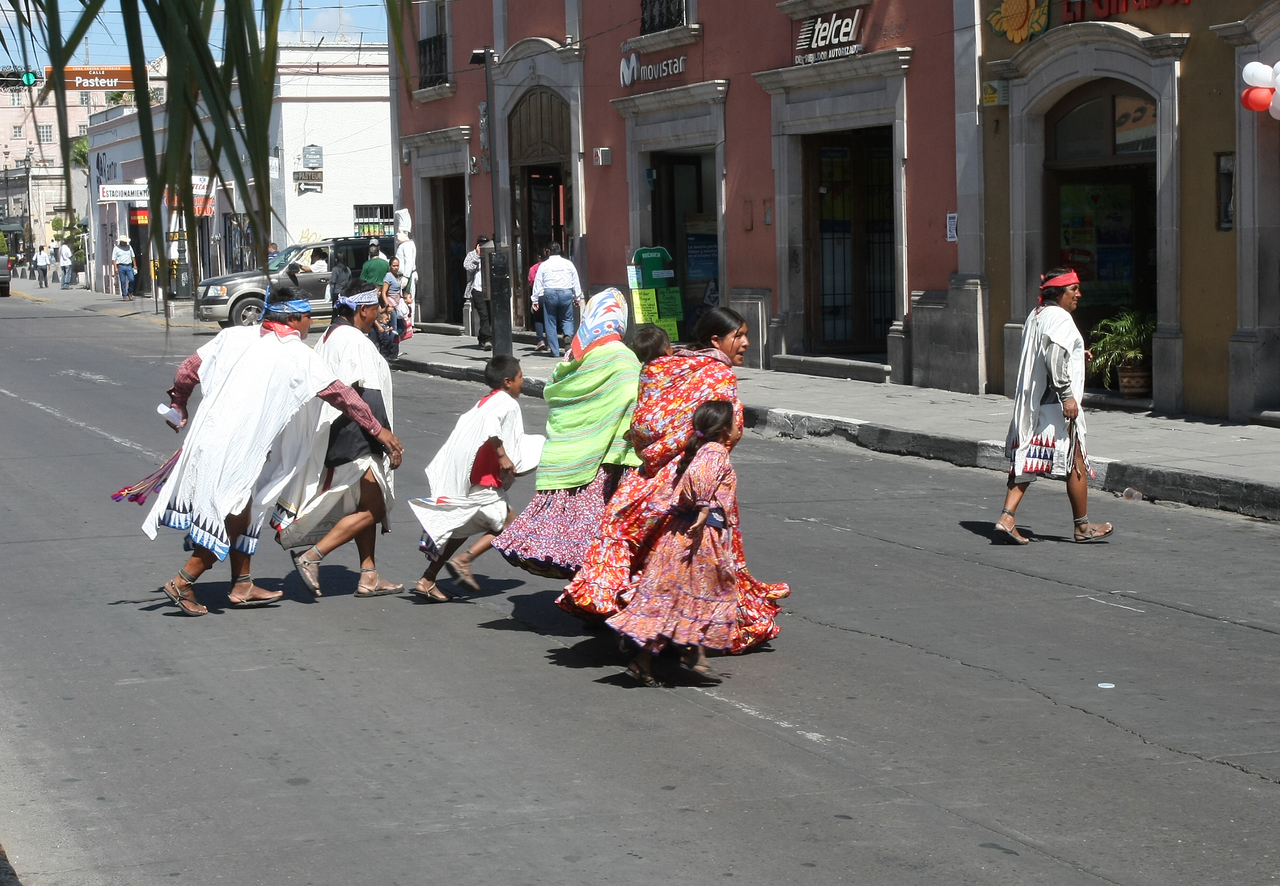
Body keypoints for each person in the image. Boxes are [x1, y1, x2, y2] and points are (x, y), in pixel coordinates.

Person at [139, 285, 404, 616]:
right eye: (308, 317)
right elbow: (340, 394)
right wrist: (379, 429)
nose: (311, 324)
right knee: (234, 513)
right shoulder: (295, 351)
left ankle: (242, 583)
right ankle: (184, 580)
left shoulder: (235, 336)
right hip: (237, 447)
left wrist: (179, 407)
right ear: (293, 318)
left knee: (246, 507)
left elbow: (187, 370)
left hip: (210, 436)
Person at [558, 306, 787, 653]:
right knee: (695, 556)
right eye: (738, 336)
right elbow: (724, 433)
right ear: (716, 340)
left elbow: (645, 420)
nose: (745, 342)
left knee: (642, 544)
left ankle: (629, 613)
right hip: (692, 479)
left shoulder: (671, 365)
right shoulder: (718, 377)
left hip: (648, 475)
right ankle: (674, 630)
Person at [493, 289, 642, 578]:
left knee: (583, 541)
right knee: (609, 541)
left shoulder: (574, 357)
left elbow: (559, 395)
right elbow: (635, 397)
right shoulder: (623, 358)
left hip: (574, 460)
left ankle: (588, 597)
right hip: (612, 462)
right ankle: (600, 601)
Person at [274, 285, 403, 597]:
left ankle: (369, 574)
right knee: (374, 508)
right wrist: (384, 437)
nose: (380, 313)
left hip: (343, 431)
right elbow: (368, 394)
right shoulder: (354, 341)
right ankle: (312, 556)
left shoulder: (330, 337)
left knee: (366, 504)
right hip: (358, 434)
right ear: (362, 310)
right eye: (376, 308)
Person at [608, 401, 741, 686]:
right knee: (707, 592)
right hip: (698, 539)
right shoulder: (715, 452)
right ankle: (691, 653)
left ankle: (645, 660)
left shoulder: (699, 451)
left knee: (674, 598)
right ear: (725, 431)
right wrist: (704, 506)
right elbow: (699, 480)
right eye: (735, 423)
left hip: (683, 535)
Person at [408, 355, 544, 601]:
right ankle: (464, 561)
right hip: (484, 480)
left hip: (468, 478)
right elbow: (493, 426)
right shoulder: (506, 403)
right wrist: (502, 456)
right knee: (508, 526)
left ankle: (427, 579)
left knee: (461, 529)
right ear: (507, 382)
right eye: (520, 377)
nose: (522, 382)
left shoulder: (485, 401)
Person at [997, 268, 1114, 545]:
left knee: (1026, 459)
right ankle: (1083, 527)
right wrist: (1067, 395)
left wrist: (1076, 355)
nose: (1078, 294)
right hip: (1054, 405)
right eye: (1073, 289)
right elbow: (1053, 355)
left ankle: (1007, 517)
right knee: (1076, 459)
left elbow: (1050, 352)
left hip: (1034, 404)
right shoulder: (1061, 318)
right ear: (1059, 292)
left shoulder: (1037, 314)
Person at [530, 243, 583, 358]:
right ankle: (568, 335)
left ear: (548, 251)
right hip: (566, 292)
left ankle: (554, 350)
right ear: (560, 251)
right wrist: (577, 297)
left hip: (550, 293)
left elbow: (538, 282)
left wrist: (535, 300)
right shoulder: (568, 264)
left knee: (550, 322)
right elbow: (575, 279)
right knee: (567, 318)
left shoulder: (544, 265)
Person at [463, 235, 492, 351]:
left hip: (489, 290)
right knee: (483, 315)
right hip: (477, 289)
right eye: (480, 244)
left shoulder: (490, 254)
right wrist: (478, 256)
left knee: (489, 315)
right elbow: (467, 267)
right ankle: (488, 340)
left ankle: (482, 337)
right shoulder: (472, 255)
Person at [528, 246, 550, 353]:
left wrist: (534, 299)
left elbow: (531, 282)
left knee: (538, 318)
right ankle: (551, 343)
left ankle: (540, 340)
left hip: (539, 295)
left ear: (539, 257)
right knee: (551, 319)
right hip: (550, 295)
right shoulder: (552, 266)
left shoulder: (534, 268)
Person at [381, 256, 407, 340]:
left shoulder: (397, 276)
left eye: (397, 266)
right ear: (390, 266)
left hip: (398, 304)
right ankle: (389, 345)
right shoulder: (388, 276)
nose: (396, 268)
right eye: (394, 265)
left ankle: (391, 342)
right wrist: (388, 304)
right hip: (391, 304)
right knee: (394, 327)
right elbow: (383, 292)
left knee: (402, 327)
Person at [395, 230, 417, 319]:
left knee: (408, 298)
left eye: (399, 232)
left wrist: (406, 276)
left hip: (407, 275)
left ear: (406, 234)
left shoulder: (407, 245)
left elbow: (409, 262)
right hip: (403, 275)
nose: (397, 234)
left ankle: (409, 321)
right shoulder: (403, 245)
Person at [112, 234, 137, 301]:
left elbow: (133, 256)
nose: (125, 243)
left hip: (129, 265)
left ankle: (130, 292)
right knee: (123, 281)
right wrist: (115, 268)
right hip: (121, 266)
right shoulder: (116, 248)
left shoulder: (129, 247)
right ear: (121, 242)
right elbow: (114, 259)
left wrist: (135, 265)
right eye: (124, 242)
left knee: (132, 279)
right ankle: (124, 295)